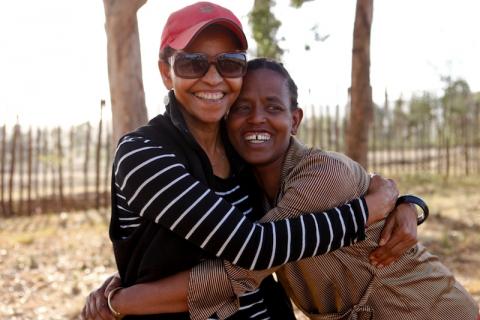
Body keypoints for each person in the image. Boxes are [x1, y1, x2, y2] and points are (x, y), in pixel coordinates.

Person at [81, 2, 419, 320]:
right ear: (166, 73)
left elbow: (318, 183)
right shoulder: (144, 154)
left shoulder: (241, 152)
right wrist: (365, 211)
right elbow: (254, 248)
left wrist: (404, 203)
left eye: (229, 63)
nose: (213, 78)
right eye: (192, 63)